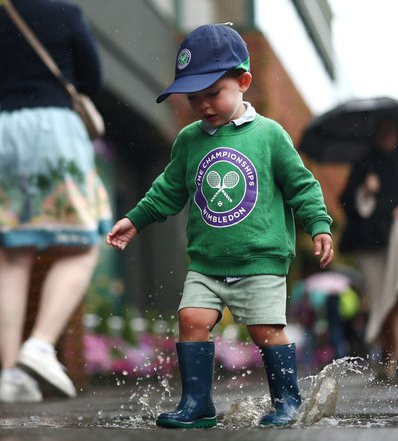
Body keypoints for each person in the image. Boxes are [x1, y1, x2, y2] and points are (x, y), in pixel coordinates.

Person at [106, 24, 334, 428]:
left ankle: (287, 401)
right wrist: (135, 219)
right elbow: (167, 190)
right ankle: (198, 405)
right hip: (207, 262)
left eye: (213, 94)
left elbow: (302, 184)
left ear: (243, 81)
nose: (204, 105)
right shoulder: (190, 140)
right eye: (194, 98)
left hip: (259, 259)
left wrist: (318, 224)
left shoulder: (268, 135)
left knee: (266, 331)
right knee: (192, 319)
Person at [0, 0, 112, 403]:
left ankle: (10, 375)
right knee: (86, 241)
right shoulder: (67, 13)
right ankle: (40, 345)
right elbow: (91, 81)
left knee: (10, 254)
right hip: (49, 130)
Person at [339, 119, 398, 381]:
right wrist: (364, 190)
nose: (385, 136)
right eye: (381, 131)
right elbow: (345, 203)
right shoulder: (362, 167)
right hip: (370, 245)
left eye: (390, 131)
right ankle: (391, 354)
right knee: (383, 298)